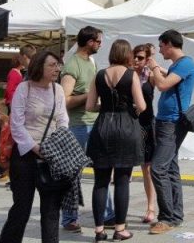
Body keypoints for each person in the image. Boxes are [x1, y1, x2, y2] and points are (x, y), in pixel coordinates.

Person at [0, 50, 67, 243]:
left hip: (51, 157)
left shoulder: (57, 90)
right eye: (52, 65)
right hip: (25, 156)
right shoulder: (24, 88)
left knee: (51, 211)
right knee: (21, 209)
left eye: (58, 65)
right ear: (39, 66)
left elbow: (62, 120)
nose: (57, 69)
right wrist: (36, 148)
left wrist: (55, 146)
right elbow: (16, 124)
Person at [85, 40, 147, 241]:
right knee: (122, 181)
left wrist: (105, 107)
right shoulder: (131, 75)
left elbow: (89, 106)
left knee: (100, 182)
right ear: (128, 55)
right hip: (126, 127)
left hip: (103, 126)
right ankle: (120, 229)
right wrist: (130, 109)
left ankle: (98, 230)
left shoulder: (99, 75)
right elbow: (142, 105)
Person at [145, 29, 194, 235]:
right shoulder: (178, 65)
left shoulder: (185, 63)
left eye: (161, 46)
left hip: (172, 122)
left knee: (158, 169)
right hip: (166, 121)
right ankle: (176, 215)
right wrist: (160, 68)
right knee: (171, 169)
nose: (160, 50)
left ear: (168, 44)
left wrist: (154, 67)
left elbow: (163, 85)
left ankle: (167, 217)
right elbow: (170, 79)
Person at [60, 26, 111, 232]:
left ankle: (108, 214)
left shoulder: (91, 61)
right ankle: (69, 218)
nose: (100, 44)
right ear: (89, 42)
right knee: (73, 174)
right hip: (78, 125)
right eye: (98, 41)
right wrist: (90, 95)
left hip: (94, 122)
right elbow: (64, 100)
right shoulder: (72, 65)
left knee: (103, 170)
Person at [133, 44, 158, 224]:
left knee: (147, 169)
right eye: (135, 56)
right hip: (130, 124)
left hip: (147, 124)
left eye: (140, 57)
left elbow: (165, 82)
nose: (136, 60)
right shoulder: (127, 74)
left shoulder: (150, 76)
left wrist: (154, 65)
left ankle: (151, 207)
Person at [4, 45, 36, 112]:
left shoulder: (33, 72)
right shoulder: (31, 71)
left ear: (24, 56)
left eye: (20, 56)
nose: (19, 59)